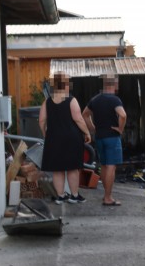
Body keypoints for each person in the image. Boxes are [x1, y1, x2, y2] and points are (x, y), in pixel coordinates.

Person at [39, 71, 92, 204]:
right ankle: (74, 195)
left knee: (58, 169)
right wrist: (87, 132)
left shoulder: (47, 101)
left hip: (54, 139)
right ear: (66, 84)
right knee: (72, 168)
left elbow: (41, 121)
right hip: (71, 139)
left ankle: (61, 196)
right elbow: (78, 119)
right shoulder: (71, 100)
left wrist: (46, 134)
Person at [82, 73, 126, 206]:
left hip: (100, 137)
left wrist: (92, 128)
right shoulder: (115, 100)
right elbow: (123, 115)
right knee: (111, 167)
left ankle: (106, 196)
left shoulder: (95, 99)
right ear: (115, 84)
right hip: (112, 137)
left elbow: (85, 114)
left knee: (104, 166)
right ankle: (108, 198)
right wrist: (120, 128)